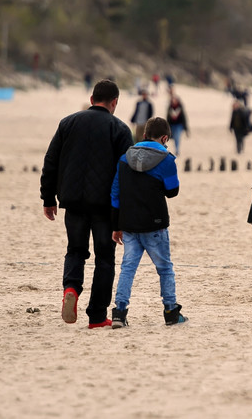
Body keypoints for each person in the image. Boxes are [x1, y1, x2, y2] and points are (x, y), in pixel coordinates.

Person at [40, 79, 133, 329]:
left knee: (75, 250)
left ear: (92, 100)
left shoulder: (68, 123)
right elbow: (127, 175)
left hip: (73, 202)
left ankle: (71, 288)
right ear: (114, 102)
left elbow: (51, 162)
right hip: (105, 206)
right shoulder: (120, 130)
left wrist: (48, 198)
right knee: (104, 259)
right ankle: (96, 316)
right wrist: (124, 215)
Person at [110, 117, 186, 328]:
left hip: (129, 223)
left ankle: (119, 312)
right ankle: (171, 311)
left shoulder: (124, 158)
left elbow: (115, 195)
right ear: (164, 138)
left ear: (143, 135)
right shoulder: (167, 160)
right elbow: (172, 192)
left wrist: (115, 226)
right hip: (155, 223)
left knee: (127, 268)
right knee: (165, 268)